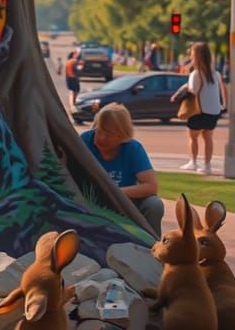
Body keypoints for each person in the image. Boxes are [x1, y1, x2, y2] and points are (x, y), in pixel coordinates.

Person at [81, 102, 164, 235]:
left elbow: (151, 186)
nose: (101, 138)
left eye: (108, 134)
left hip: (123, 202)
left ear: (122, 136)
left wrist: (115, 192)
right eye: (99, 131)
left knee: (154, 205)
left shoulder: (133, 148)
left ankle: (152, 247)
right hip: (90, 202)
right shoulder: (85, 141)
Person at [171, 41, 226, 174]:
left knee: (193, 136)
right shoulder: (215, 73)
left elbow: (193, 91)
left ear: (197, 56)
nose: (190, 56)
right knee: (208, 138)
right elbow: (221, 90)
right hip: (214, 111)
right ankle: (207, 166)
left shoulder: (196, 74)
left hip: (199, 111)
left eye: (192, 54)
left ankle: (193, 162)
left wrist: (182, 89)